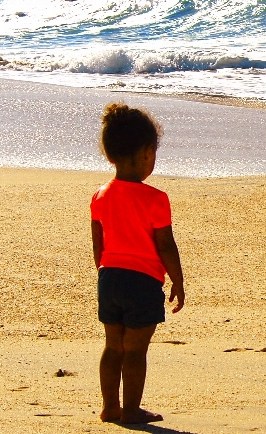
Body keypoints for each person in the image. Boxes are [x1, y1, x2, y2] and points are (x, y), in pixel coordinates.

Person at [90, 103, 185, 424]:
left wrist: (104, 274)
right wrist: (178, 280)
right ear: (147, 153)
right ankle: (131, 409)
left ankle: (109, 407)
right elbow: (165, 245)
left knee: (112, 347)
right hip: (142, 283)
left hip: (109, 278)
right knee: (135, 351)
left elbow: (98, 244)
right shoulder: (156, 199)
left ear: (110, 154)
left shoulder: (100, 195)